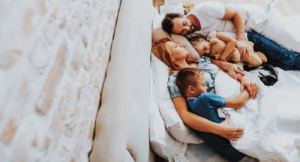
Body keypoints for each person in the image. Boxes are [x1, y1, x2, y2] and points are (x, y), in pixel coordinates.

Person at [151, 38, 258, 161]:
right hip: (223, 110)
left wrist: (244, 79)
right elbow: (184, 114)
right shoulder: (176, 80)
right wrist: (219, 129)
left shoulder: (202, 60)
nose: (181, 44)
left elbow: (227, 72)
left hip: (236, 93)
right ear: (171, 58)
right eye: (175, 46)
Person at [161, 1, 300, 58]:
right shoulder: (189, 36)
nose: (187, 29)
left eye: (184, 23)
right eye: (182, 31)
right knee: (280, 52)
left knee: (293, 44)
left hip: (249, 20)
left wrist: (240, 39)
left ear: (181, 15)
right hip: (248, 36)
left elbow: (236, 14)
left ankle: (271, 12)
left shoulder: (205, 9)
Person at [175, 68, 258, 162]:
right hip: (238, 145)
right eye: (203, 85)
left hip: (229, 154)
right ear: (191, 89)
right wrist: (251, 85)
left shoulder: (189, 107)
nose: (206, 88)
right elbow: (238, 102)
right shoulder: (204, 98)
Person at [189, 31, 300, 70]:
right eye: (204, 53)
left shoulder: (212, 36)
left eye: (204, 48)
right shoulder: (212, 55)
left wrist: (223, 58)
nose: (207, 51)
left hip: (254, 41)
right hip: (253, 53)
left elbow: (232, 42)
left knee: (284, 56)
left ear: (202, 39)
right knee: (281, 64)